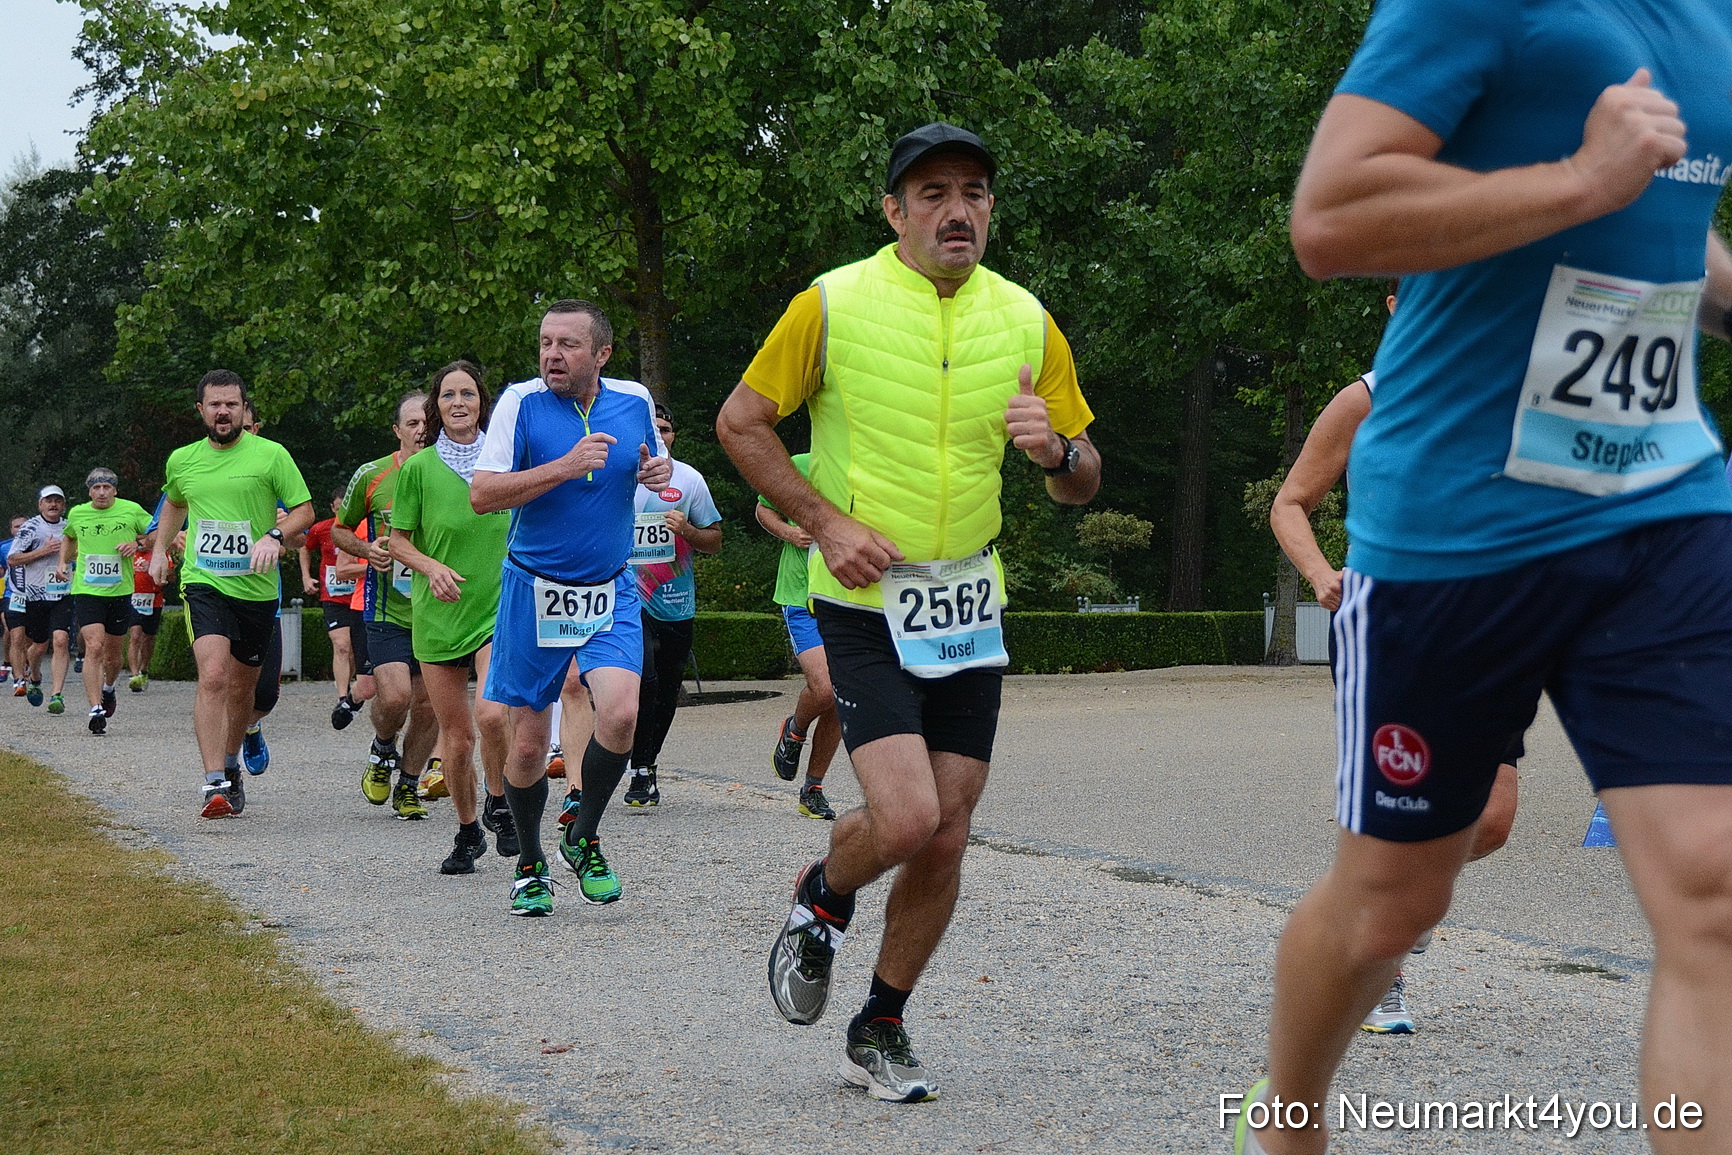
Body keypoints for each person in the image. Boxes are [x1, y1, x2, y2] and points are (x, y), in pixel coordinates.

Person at [1234, 4, 1732, 1151]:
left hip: (1660, 493)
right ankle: (1286, 1121)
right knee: (1391, 907)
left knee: (1712, 890)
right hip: (1463, 523)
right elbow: (1329, 218)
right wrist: (1577, 179)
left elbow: (1658, 222)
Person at [716, 123, 1100, 1103]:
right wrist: (824, 521)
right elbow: (741, 422)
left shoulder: (1023, 319)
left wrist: (1055, 453)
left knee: (946, 831)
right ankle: (824, 894)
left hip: (967, 601)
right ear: (893, 211)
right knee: (906, 813)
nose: (956, 209)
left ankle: (879, 1025)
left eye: (972, 191)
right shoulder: (833, 304)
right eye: (930, 193)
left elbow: (1084, 478)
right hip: (859, 597)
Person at [1270, 292, 1520, 1034]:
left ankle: (1387, 890)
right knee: (1402, 802)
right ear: (1394, 303)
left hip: (1488, 632)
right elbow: (1291, 502)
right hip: (1391, 631)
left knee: (1496, 817)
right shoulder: (1364, 401)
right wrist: (1320, 575)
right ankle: (1383, 959)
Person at [470, 298, 670, 916]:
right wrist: (562, 466)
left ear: (602, 354)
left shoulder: (633, 400)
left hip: (609, 586)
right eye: (545, 343)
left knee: (621, 714)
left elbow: (639, 463)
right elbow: (483, 493)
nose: (552, 355)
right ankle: (530, 862)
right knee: (528, 746)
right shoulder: (518, 403)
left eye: (568, 345)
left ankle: (582, 838)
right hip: (535, 588)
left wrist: (651, 472)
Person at [151, 371, 312, 818]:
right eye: (215, 405)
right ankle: (213, 781)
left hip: (256, 590)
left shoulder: (271, 455)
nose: (224, 412)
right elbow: (175, 503)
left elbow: (305, 510)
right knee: (215, 676)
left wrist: (274, 535)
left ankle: (230, 762)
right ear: (201, 410)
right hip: (204, 583)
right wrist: (161, 551)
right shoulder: (183, 460)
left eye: (232, 405)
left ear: (244, 410)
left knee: (244, 689)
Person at [387, 361, 514, 873]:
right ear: (435, 408)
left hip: (497, 604)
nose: (458, 402)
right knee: (457, 738)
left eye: (467, 393)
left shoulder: (506, 458)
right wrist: (430, 565)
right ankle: (467, 831)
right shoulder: (417, 469)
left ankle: (500, 799)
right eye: (447, 396)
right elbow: (397, 541)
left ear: (482, 401)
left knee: (491, 715)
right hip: (439, 613)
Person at [334, 392, 441, 820]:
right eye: (412, 423)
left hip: (439, 608)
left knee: (431, 704)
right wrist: (366, 549)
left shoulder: (456, 472)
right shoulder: (373, 474)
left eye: (426, 422)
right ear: (397, 430)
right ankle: (382, 749)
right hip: (388, 609)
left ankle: (410, 784)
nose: (421, 431)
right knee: (395, 697)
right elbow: (341, 531)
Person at [620, 403, 723, 808]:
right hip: (626, 596)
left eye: (665, 427)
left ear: (673, 434)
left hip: (675, 600)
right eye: (651, 428)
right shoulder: (619, 475)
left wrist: (689, 530)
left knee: (665, 689)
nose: (659, 435)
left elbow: (715, 540)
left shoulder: (689, 479)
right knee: (643, 682)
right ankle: (636, 768)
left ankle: (647, 763)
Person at [758, 452, 842, 819]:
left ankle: (813, 788)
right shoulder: (802, 464)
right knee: (825, 687)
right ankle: (795, 729)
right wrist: (788, 532)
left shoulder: (875, 470)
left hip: (849, 596)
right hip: (801, 594)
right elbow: (763, 509)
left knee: (844, 696)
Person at [56, 468, 153, 735]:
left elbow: (155, 534)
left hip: (120, 591)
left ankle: (108, 688)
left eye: (106, 488)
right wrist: (63, 561)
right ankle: (95, 707)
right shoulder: (78, 513)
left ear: (115, 490)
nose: (101, 492)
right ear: (89, 492)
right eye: (96, 488)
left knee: (113, 657)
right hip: (87, 590)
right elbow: (69, 536)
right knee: (94, 647)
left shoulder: (131, 510)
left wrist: (138, 543)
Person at [301, 485, 374, 728]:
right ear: (332, 507)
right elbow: (304, 547)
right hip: (334, 596)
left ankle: (355, 690)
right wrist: (305, 577)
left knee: (353, 650)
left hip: (359, 596)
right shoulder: (324, 529)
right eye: (338, 506)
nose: (343, 510)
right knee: (341, 646)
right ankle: (343, 697)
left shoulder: (366, 526)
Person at [12, 486, 73, 711]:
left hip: (63, 592)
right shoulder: (30, 528)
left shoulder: (70, 527)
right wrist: (44, 551)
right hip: (36, 594)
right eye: (49, 501)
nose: (53, 504)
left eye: (58, 500)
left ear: (63, 505)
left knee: (61, 639)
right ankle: (35, 676)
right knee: (39, 646)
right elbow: (13, 559)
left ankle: (57, 695)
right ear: (40, 504)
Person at [125, 532, 174, 692]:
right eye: (138, 539)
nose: (141, 542)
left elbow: (172, 578)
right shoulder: (131, 554)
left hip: (154, 599)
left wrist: (159, 571)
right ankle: (134, 675)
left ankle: (144, 668)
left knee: (148, 638)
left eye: (144, 538)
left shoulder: (160, 553)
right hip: (134, 599)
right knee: (135, 635)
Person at [3, 514, 27, 691]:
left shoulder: (41, 543)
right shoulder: (4, 548)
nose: (20, 530)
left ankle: (31, 669)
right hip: (13, 596)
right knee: (15, 635)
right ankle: (18, 679)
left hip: (36, 597)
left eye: (23, 526)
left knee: (35, 641)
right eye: (16, 527)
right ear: (11, 530)